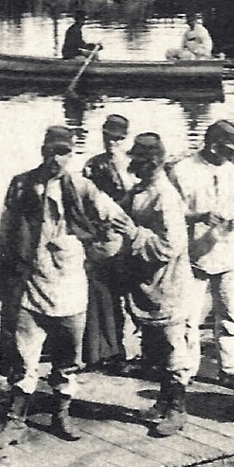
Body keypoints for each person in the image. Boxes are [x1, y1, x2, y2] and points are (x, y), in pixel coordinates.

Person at [0, 125, 135, 448]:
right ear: (43, 150)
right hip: (30, 282)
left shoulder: (82, 188)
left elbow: (118, 218)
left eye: (64, 152)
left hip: (68, 286)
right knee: (23, 356)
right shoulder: (22, 184)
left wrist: (112, 247)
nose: (57, 158)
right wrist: (0, 277)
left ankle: (61, 413)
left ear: (72, 155)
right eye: (52, 151)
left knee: (68, 358)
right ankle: (15, 422)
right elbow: (5, 232)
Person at [117, 133, 197, 438]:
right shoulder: (141, 191)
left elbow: (169, 245)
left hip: (169, 284)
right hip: (147, 284)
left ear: (151, 163)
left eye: (137, 161)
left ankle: (178, 408)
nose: (132, 166)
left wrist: (134, 233)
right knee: (156, 345)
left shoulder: (165, 197)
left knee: (174, 346)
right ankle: (163, 401)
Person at [169, 119, 234, 390]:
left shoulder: (233, 173)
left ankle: (229, 368)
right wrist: (200, 216)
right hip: (193, 255)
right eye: (226, 149)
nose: (230, 155)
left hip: (227, 254)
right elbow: (171, 213)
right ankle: (187, 370)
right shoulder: (183, 171)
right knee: (189, 317)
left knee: (230, 315)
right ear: (212, 144)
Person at [82, 114, 134, 372]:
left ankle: (148, 355)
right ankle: (108, 353)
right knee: (104, 299)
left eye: (117, 138)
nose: (111, 142)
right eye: (107, 137)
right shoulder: (93, 165)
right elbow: (85, 203)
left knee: (135, 301)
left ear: (125, 139)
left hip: (129, 240)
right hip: (104, 239)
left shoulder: (132, 166)